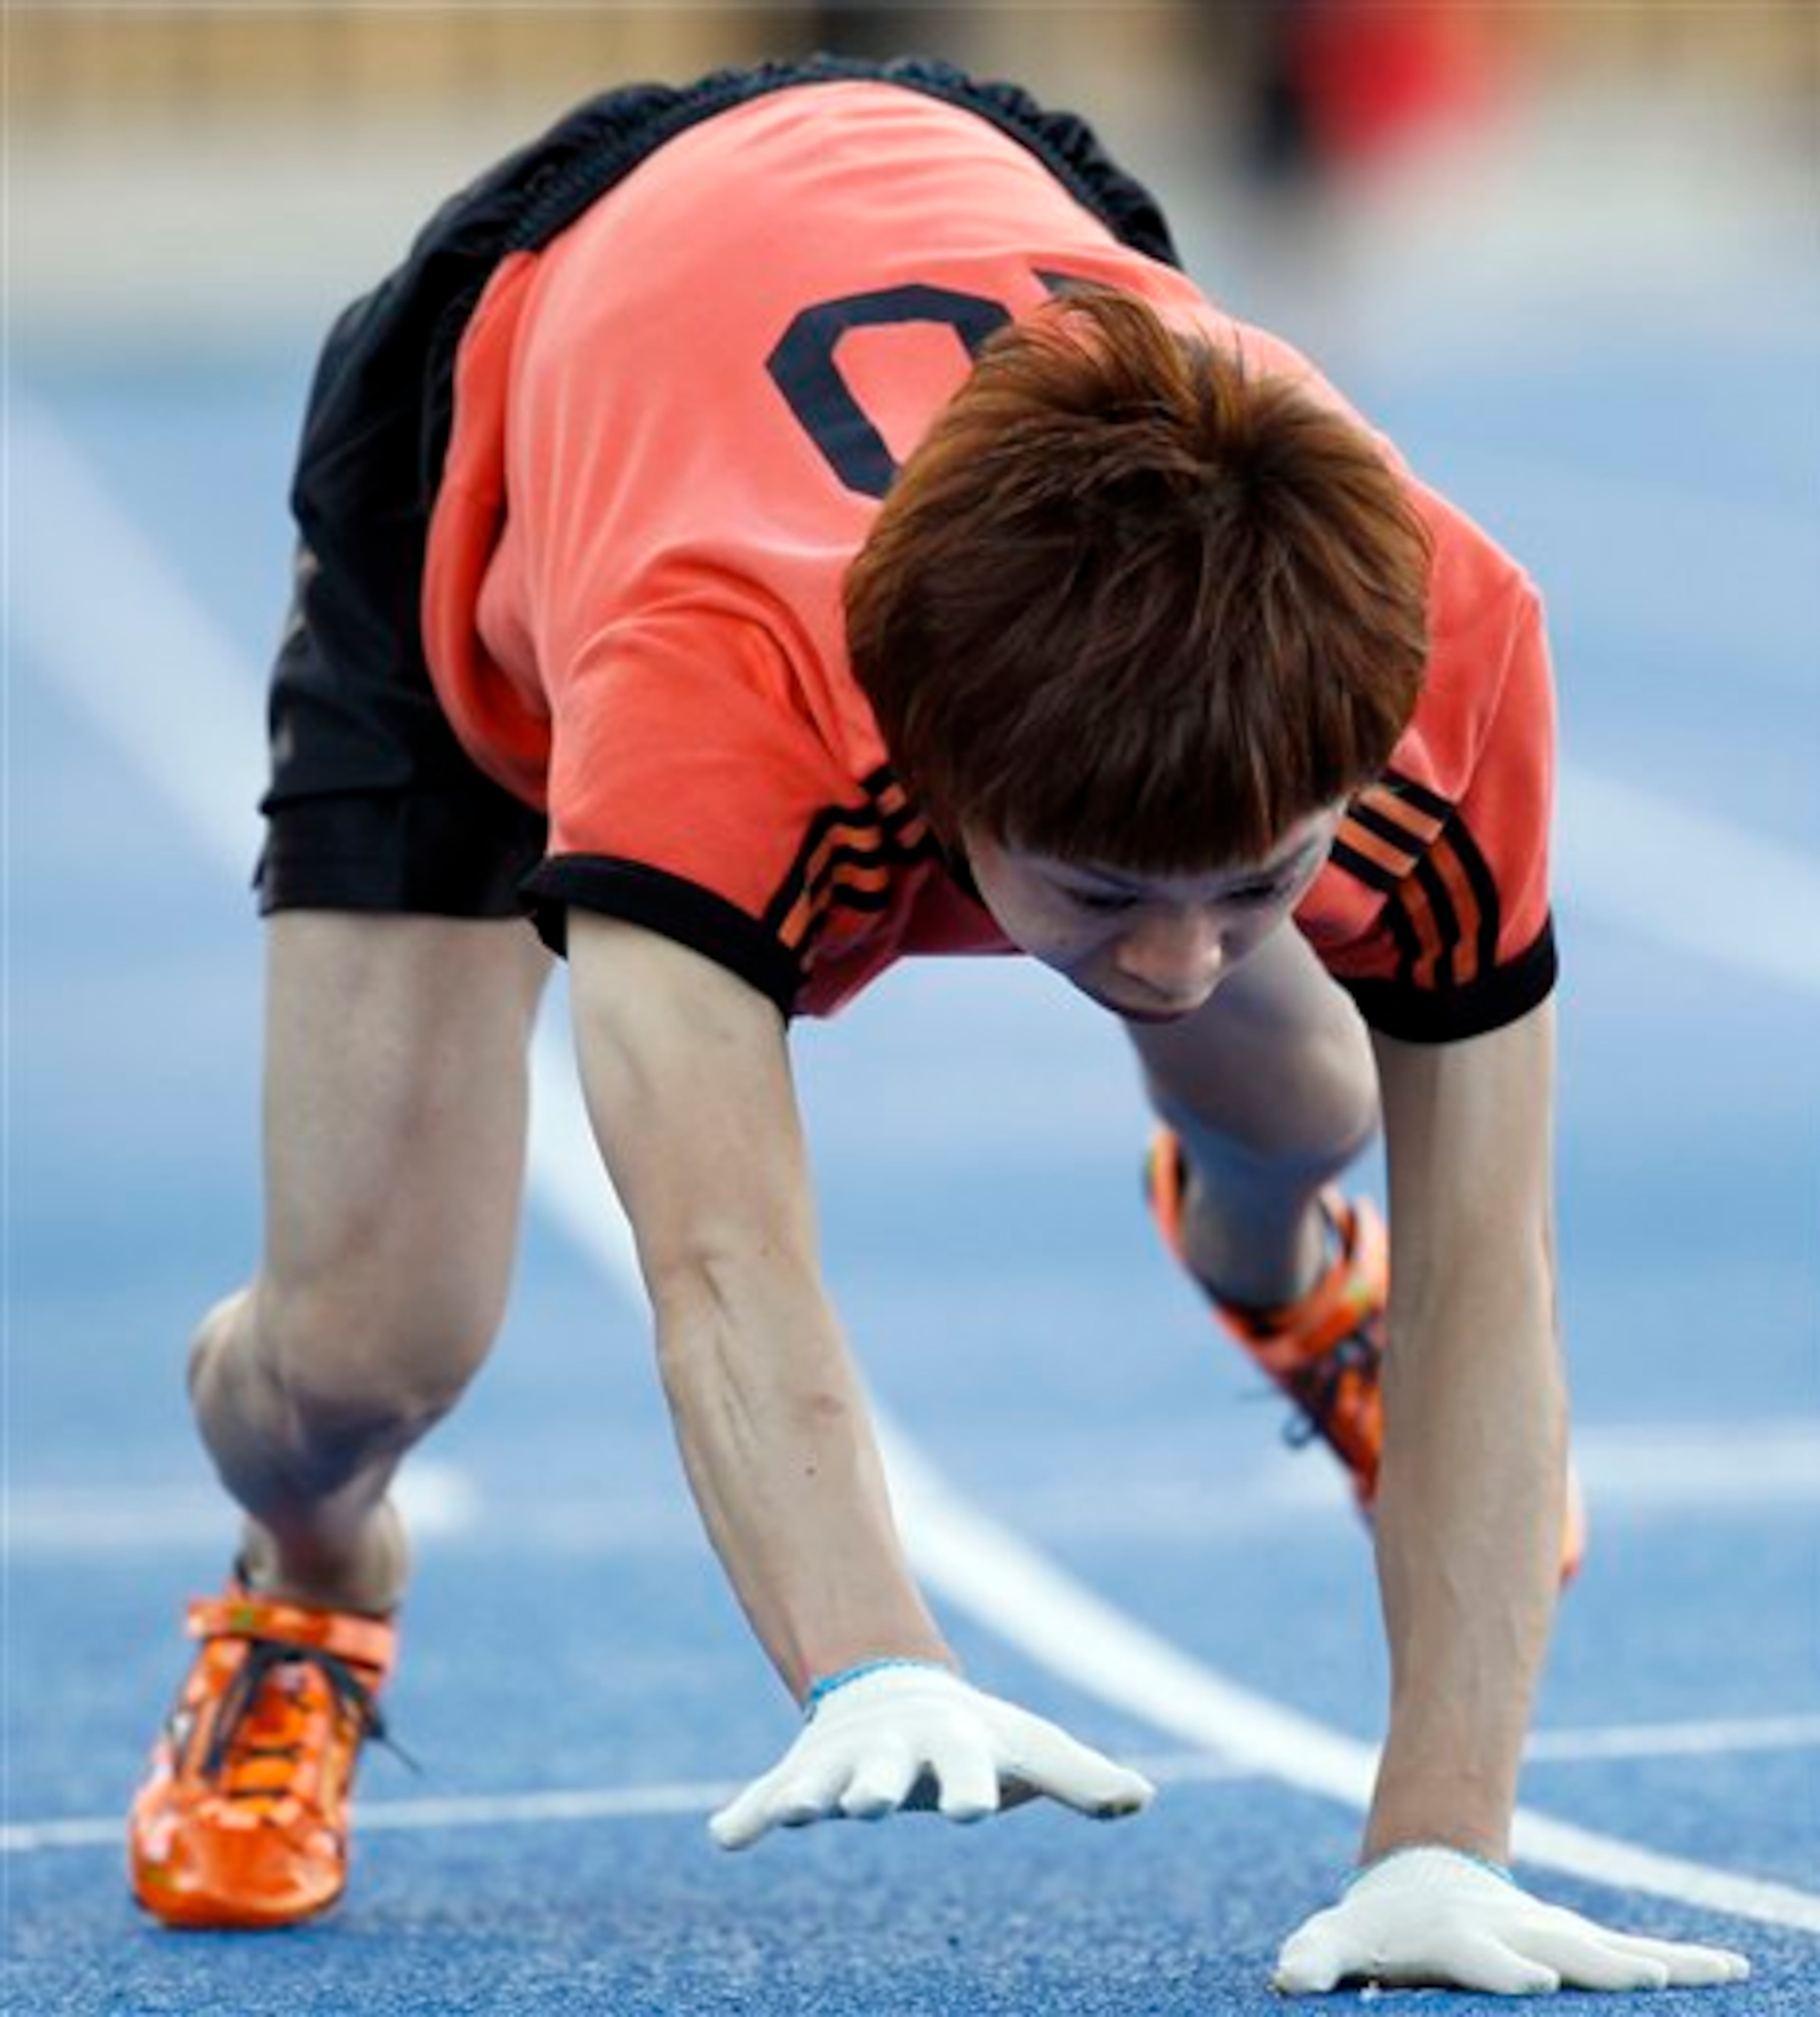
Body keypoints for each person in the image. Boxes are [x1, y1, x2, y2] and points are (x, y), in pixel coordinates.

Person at [126, 54, 1747, 1995]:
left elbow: (1493, 1265)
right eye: (1099, 903)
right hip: (524, 379)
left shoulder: (1454, 649)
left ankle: (1272, 1246)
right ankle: (307, 1583)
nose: (1171, 965)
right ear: (937, 803)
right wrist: (871, 1648)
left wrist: (1440, 1843)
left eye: (1260, 883)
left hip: (991, 207)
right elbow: (723, 1256)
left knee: (1311, 1081)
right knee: (367, 1344)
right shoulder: (714, 696)